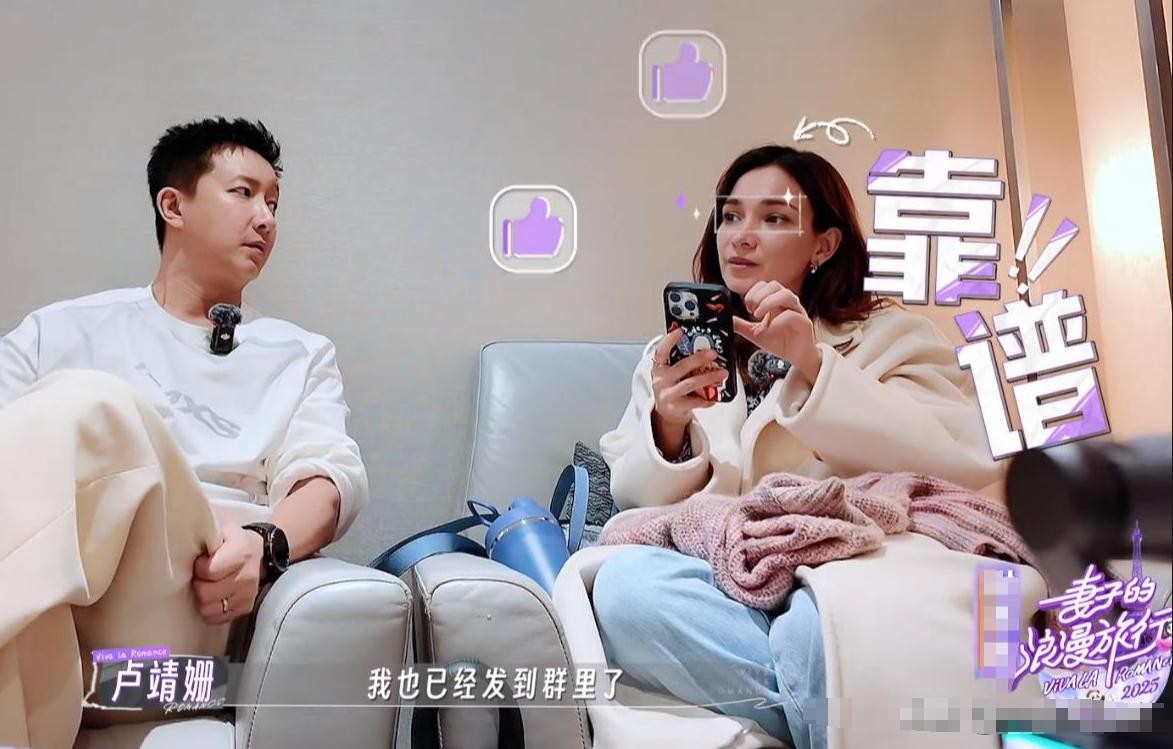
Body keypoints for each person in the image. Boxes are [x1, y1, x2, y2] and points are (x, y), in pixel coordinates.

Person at [590, 145, 1002, 749]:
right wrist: (669, 424)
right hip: (724, 579)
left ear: (823, 245)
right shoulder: (672, 356)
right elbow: (635, 499)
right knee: (626, 591)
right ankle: (832, 719)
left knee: (819, 624)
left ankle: (806, 710)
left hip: (851, 565)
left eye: (774, 218)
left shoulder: (894, 335)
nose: (741, 236)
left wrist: (811, 363)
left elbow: (948, 462)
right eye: (730, 216)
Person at [0, 117, 369, 749]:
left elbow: (327, 479)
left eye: (274, 203)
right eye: (244, 193)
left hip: (186, 640)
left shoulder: (298, 354)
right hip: (60, 638)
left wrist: (265, 544)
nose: (265, 219)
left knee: (91, 406)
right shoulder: (58, 331)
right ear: (173, 206)